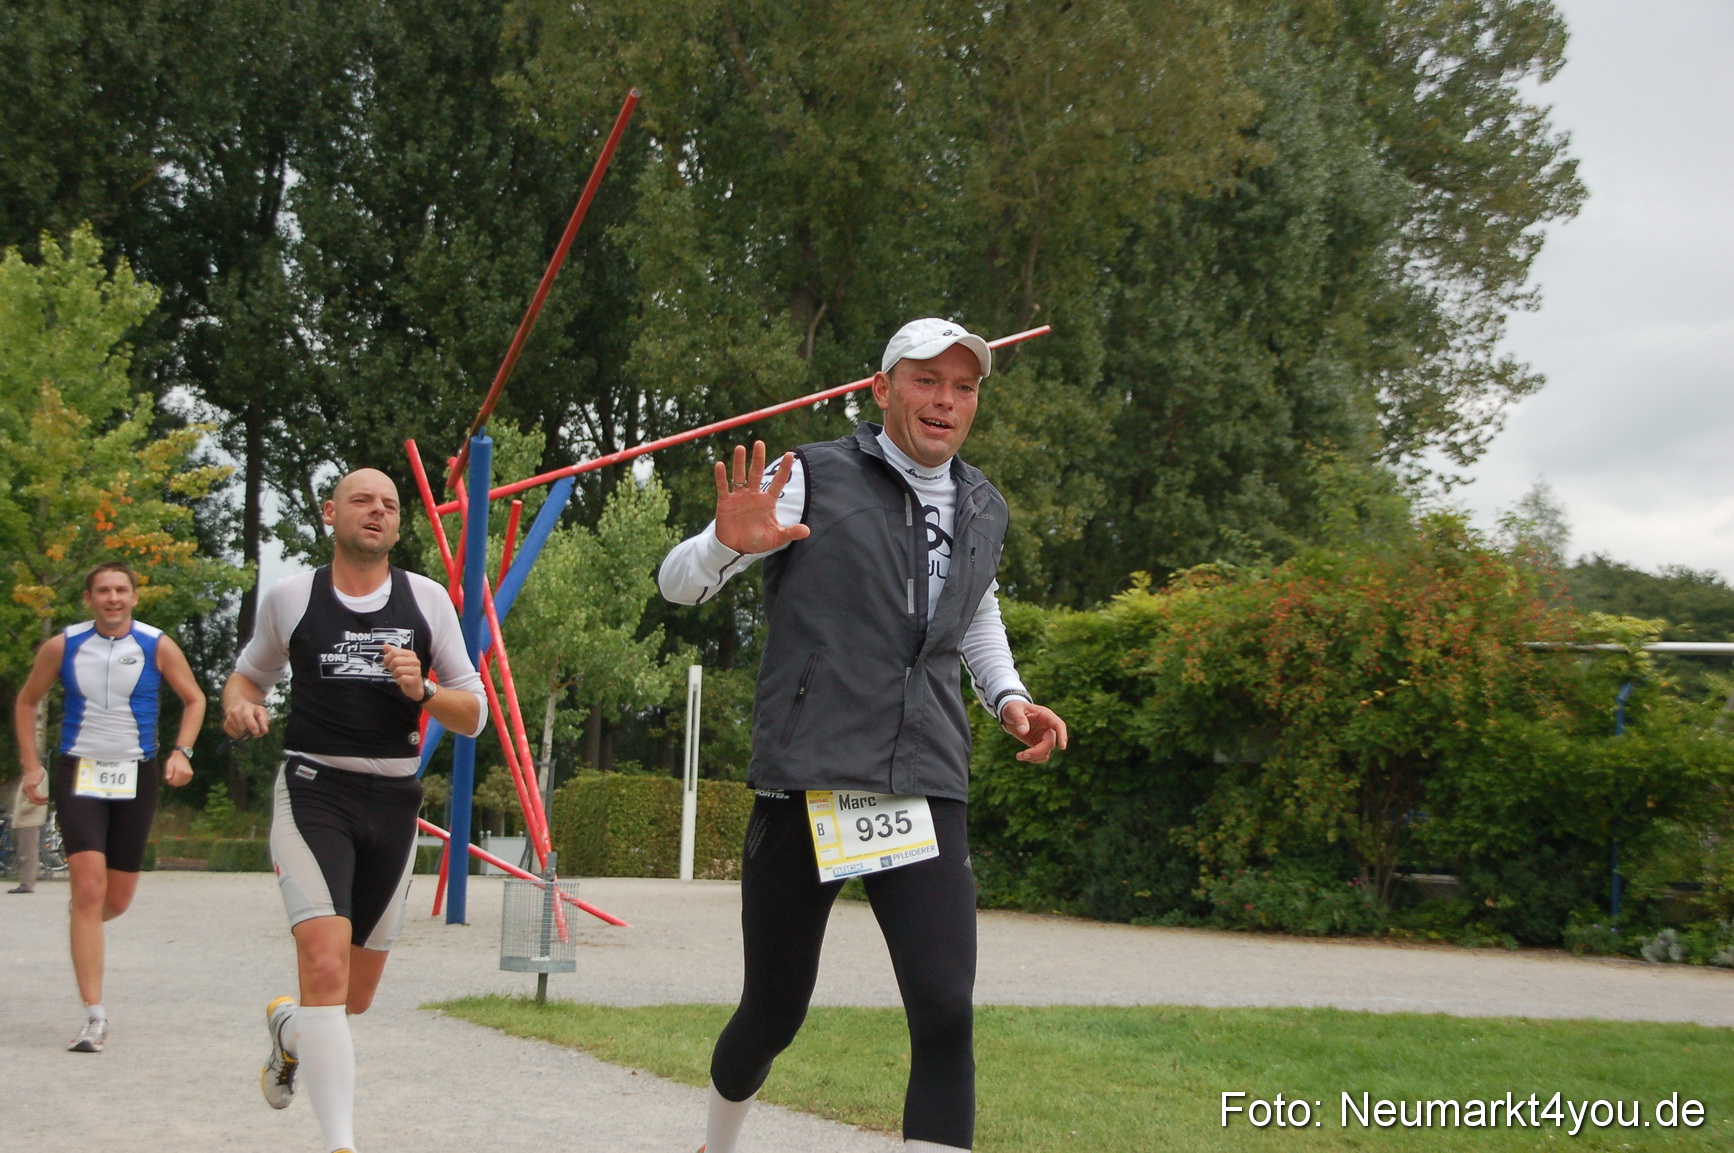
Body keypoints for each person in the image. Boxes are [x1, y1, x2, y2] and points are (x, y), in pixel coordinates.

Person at [659, 318, 1069, 1153]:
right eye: (926, 380)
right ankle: (718, 1142)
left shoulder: (985, 504)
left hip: (924, 776)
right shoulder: (810, 474)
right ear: (881, 389)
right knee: (773, 1009)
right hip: (810, 776)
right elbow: (677, 586)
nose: (945, 401)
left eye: (964, 387)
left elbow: (976, 612)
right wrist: (721, 544)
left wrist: (1010, 697)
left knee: (945, 1006)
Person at [222, 467, 485, 1153]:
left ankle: (290, 1030)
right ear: (330, 513)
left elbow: (474, 712)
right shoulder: (292, 597)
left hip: (394, 803)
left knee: (351, 996)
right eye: (362, 500)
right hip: (315, 789)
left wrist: (424, 690)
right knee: (325, 960)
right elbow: (248, 674)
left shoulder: (426, 600)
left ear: (399, 526)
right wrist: (240, 704)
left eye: (390, 505)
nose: (377, 511)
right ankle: (342, 1142)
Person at [13, 560, 204, 1051]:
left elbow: (194, 699)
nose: (113, 598)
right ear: (89, 599)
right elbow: (27, 701)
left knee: (112, 901)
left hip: (135, 773)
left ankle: (84, 924)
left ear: (134, 597)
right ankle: (94, 1017)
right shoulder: (64, 645)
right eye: (103, 591)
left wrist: (182, 751)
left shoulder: (156, 644)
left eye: (121, 590)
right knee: (89, 885)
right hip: (80, 771)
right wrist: (32, 766)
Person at [8, 775, 47, 893]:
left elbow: (36, 797)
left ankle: (27, 884)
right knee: (25, 852)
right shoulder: (30, 774)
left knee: (28, 853)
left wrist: (20, 810)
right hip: (26, 820)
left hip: (29, 820)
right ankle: (25, 882)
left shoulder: (37, 774)